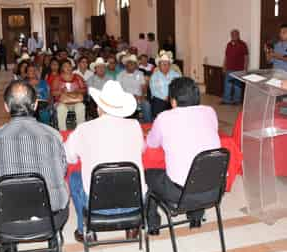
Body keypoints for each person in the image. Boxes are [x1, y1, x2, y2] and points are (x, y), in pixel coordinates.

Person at [0, 81, 69, 252]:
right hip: (50, 219)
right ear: (36, 104)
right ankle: (52, 240)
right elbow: (62, 170)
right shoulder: (53, 135)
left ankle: (10, 248)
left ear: (6, 107)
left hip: (5, 222)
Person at [65, 80, 147, 242]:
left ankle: (85, 231)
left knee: (74, 177)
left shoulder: (84, 129)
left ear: (99, 108)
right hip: (134, 202)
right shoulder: (135, 125)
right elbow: (142, 149)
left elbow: (69, 157)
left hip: (97, 204)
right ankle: (131, 227)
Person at [146, 77, 220, 234]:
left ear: (173, 101)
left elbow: (151, 144)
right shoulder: (210, 112)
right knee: (199, 168)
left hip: (179, 193)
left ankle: (153, 224)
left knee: (148, 173)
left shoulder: (164, 118)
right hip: (214, 189)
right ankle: (196, 217)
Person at [52, 60, 87, 131]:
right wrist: (61, 91)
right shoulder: (57, 78)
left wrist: (77, 90)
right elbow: (52, 92)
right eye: (65, 66)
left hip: (76, 101)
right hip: (62, 102)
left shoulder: (77, 77)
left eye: (69, 66)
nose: (67, 68)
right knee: (61, 108)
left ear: (72, 67)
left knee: (81, 107)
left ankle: (80, 131)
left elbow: (84, 90)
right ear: (62, 68)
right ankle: (63, 131)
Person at [117, 55, 152, 123]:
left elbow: (144, 87)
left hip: (139, 98)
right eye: (129, 63)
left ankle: (148, 125)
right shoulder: (120, 75)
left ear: (136, 65)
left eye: (133, 63)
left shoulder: (140, 73)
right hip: (125, 98)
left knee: (146, 104)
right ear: (126, 65)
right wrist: (130, 97)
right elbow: (118, 89)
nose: (131, 65)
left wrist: (143, 96)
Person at [221, 29, 249, 105]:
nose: (233, 36)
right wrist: (224, 66)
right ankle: (226, 100)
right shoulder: (229, 44)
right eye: (232, 35)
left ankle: (236, 101)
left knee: (237, 86)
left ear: (238, 35)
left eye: (235, 34)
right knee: (227, 85)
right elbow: (226, 56)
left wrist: (245, 69)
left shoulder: (243, 44)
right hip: (229, 68)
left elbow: (246, 57)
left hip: (239, 69)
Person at [150, 51, 181, 118]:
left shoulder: (176, 75)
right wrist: (164, 98)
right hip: (160, 99)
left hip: (173, 99)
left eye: (167, 64)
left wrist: (171, 97)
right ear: (159, 65)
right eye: (163, 64)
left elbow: (179, 87)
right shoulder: (155, 76)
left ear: (170, 65)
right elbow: (154, 91)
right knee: (158, 102)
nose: (165, 66)